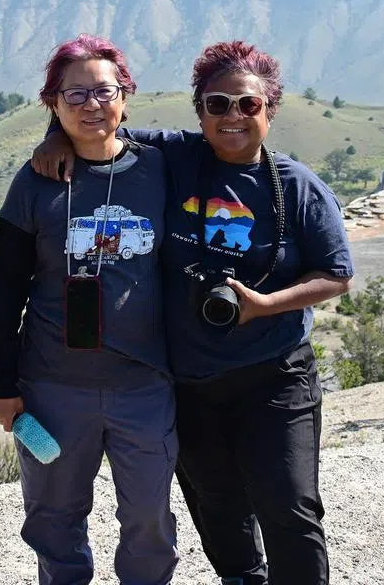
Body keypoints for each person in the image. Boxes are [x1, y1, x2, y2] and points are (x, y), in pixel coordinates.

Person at [33, 40, 353, 585]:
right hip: (191, 381)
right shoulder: (175, 157)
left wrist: (265, 305)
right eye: (217, 104)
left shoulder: (298, 188)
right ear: (199, 111)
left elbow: (336, 274)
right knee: (217, 505)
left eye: (247, 105)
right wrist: (53, 134)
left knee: (289, 504)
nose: (232, 117)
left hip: (274, 373)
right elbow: (101, 123)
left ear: (269, 110)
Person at [0, 34, 178, 585]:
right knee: (54, 519)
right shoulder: (36, 180)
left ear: (126, 97)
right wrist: (1, 385)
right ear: (53, 104)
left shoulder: (162, 170)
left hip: (144, 387)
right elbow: (3, 289)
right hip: (52, 388)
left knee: (148, 519)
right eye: (74, 96)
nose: (91, 105)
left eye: (103, 91)